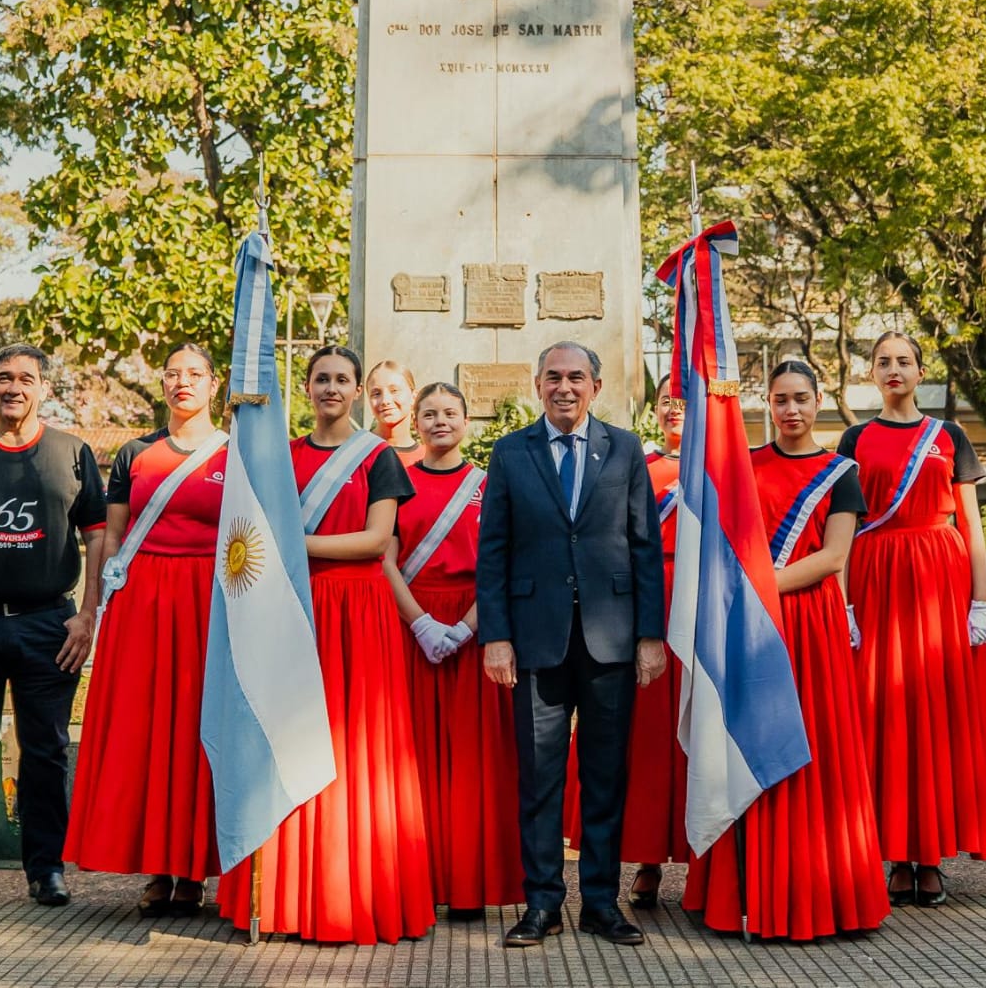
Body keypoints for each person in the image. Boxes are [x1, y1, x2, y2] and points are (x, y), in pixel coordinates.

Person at [218, 344, 435, 944]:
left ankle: (353, 893)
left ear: (358, 392)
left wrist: (292, 542)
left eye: (343, 379)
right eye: (321, 379)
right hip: (292, 609)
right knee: (287, 737)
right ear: (306, 389)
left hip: (358, 613)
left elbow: (374, 541)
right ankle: (288, 897)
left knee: (357, 749)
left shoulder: (378, 458)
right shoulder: (279, 456)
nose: (332, 388)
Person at [684, 359, 890, 939]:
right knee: (750, 744)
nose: (791, 410)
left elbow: (832, 558)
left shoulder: (840, 472)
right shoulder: (744, 468)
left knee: (812, 745)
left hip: (808, 625)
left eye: (801, 398)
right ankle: (748, 891)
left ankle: (819, 890)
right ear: (766, 404)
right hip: (752, 625)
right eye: (780, 399)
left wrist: (752, 584)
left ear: (819, 399)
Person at [476, 341, 665, 948]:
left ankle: (603, 904)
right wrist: (497, 637)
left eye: (575, 377)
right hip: (536, 639)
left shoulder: (626, 448)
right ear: (537, 385)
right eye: (553, 377)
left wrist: (650, 635)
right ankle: (542, 905)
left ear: (596, 386)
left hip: (611, 639)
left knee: (606, 775)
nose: (564, 386)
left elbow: (644, 548)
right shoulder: (509, 453)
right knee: (540, 779)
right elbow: (494, 554)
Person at [841, 333, 986, 907]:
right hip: (876, 581)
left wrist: (981, 602)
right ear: (871, 374)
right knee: (885, 709)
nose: (893, 369)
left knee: (935, 708)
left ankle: (929, 856)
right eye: (883, 362)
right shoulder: (854, 437)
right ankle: (895, 852)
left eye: (904, 361)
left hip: (939, 586)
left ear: (921, 371)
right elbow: (843, 532)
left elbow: (971, 526)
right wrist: (844, 605)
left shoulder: (949, 437)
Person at [0, 343, 106, 911]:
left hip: (47, 624)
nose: (14, 388)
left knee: (48, 750)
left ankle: (46, 869)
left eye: (26, 378)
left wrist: (88, 613)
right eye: (3, 377)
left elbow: (98, 537)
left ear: (43, 388)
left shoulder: (72, 453)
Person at [64, 343, 228, 916]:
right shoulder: (135, 452)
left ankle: (195, 867)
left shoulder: (237, 453)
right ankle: (159, 865)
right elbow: (112, 537)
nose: (181, 382)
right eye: (172, 374)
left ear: (215, 384)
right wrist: (99, 607)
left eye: (194, 374)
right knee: (150, 725)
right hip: (143, 601)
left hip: (211, 600)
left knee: (197, 728)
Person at [383, 382, 522, 917]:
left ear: (467, 421)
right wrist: (420, 623)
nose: (440, 422)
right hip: (410, 622)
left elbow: (504, 566)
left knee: (472, 760)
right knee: (411, 759)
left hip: (476, 626)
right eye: (429, 414)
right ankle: (414, 876)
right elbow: (385, 558)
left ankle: (468, 881)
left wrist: (466, 629)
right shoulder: (396, 483)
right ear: (415, 422)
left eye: (450, 413)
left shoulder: (490, 487)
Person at [565, 374, 688, 908]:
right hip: (644, 602)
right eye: (665, 402)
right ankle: (645, 857)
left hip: (699, 607)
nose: (673, 410)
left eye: (683, 402)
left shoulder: (722, 469)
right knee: (643, 740)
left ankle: (706, 863)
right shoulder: (642, 461)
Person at [367, 359, 424, 467]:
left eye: (394, 391)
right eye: (376, 393)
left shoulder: (426, 460)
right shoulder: (356, 451)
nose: (385, 401)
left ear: (414, 397)